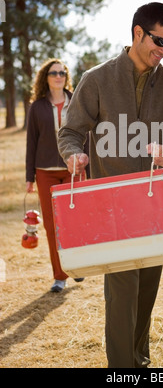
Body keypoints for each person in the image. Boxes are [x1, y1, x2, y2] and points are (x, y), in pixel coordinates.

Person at [57, 2, 163, 368]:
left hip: (153, 206)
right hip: (111, 207)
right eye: (158, 41)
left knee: (147, 289)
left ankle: (140, 361)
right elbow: (71, 132)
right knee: (123, 293)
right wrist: (74, 155)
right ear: (138, 33)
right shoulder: (97, 79)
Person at [25, 58, 88, 293]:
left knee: (76, 222)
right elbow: (31, 141)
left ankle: (78, 267)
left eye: (62, 72)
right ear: (46, 77)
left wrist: (88, 170)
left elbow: (87, 136)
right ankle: (59, 276)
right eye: (53, 72)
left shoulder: (77, 101)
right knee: (52, 227)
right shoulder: (37, 107)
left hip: (75, 171)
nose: (58, 76)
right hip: (45, 172)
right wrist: (29, 176)